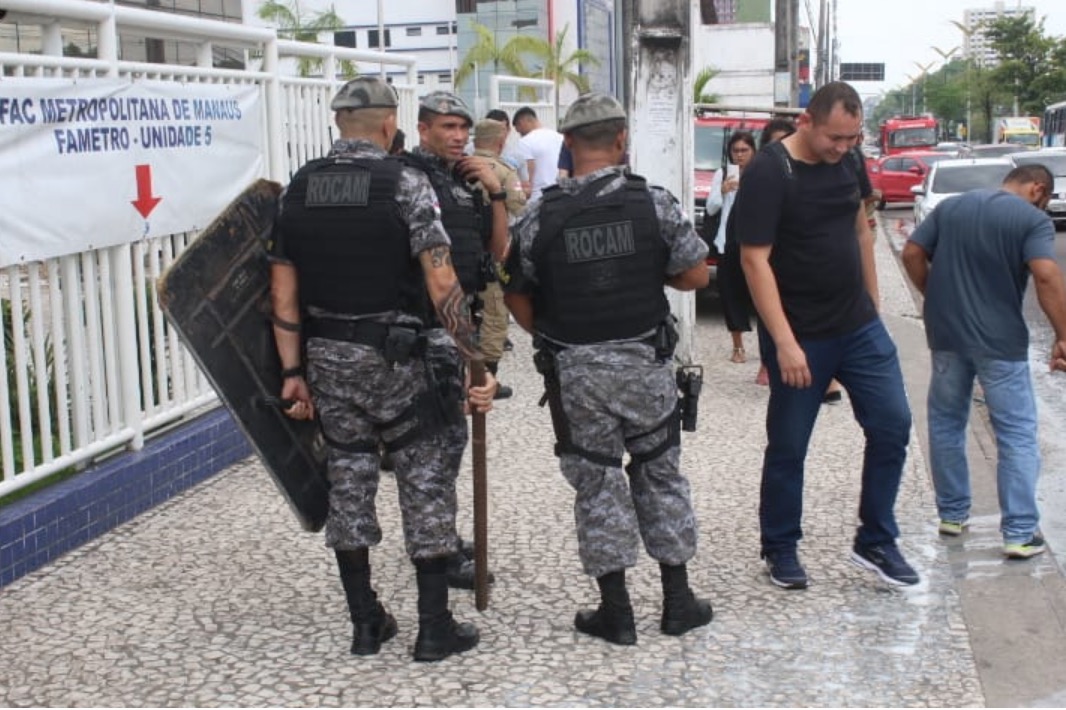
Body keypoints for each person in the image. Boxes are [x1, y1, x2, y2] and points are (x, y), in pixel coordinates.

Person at [267, 76, 496, 661]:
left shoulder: (298, 189)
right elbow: (442, 282)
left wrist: (292, 373)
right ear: (390, 125)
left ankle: (366, 623)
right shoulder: (407, 184)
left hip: (327, 358)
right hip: (399, 359)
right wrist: (474, 364)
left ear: (339, 125)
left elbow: (283, 296)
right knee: (424, 478)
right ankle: (433, 627)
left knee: (349, 482)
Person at [503, 93, 713, 645]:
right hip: (644, 364)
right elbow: (695, 275)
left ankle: (616, 613)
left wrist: (558, 338)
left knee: (597, 482)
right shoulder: (655, 204)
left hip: (576, 374)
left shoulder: (538, 215)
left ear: (568, 143)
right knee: (659, 471)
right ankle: (677, 602)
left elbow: (516, 296)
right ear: (622, 139)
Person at [734, 81, 918, 590]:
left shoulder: (850, 161)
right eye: (835, 138)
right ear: (806, 122)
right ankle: (780, 545)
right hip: (800, 331)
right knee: (790, 444)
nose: (842, 148)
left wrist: (875, 303)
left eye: (852, 138)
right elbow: (754, 260)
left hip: (857, 325)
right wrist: (785, 343)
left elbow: (863, 228)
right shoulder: (771, 170)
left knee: (892, 424)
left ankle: (876, 539)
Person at [901, 164, 1066, 559]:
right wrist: (1062, 334)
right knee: (1016, 432)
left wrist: (933, 294)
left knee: (945, 422)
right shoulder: (1031, 220)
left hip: (946, 336)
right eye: (1044, 200)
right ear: (1037, 189)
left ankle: (953, 515)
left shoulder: (953, 207)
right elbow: (1045, 275)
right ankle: (1020, 532)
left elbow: (911, 252)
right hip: (1000, 342)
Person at [405, 91, 510, 590]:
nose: (458, 136)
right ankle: (437, 553)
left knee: (450, 441)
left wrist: (495, 193)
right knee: (436, 447)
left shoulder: (464, 181)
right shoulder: (409, 179)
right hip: (425, 329)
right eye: (447, 126)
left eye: (463, 127)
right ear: (423, 129)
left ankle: (441, 538)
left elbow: (498, 249)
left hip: (458, 325)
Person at [471, 117, 528, 399]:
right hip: (493, 254)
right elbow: (520, 209)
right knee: (494, 315)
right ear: (501, 141)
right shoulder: (504, 172)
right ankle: (487, 379)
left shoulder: (461, 167)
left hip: (462, 254)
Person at [706, 131, 757, 364]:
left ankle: (768, 350)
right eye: (735, 151)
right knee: (730, 295)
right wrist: (723, 190)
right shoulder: (723, 173)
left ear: (753, 151)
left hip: (755, 240)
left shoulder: (760, 173)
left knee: (758, 294)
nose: (739, 155)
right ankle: (738, 347)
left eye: (744, 150)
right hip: (727, 241)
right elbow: (711, 208)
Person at [512, 106, 564, 201]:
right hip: (561, 195)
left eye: (519, 130)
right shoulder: (560, 137)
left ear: (523, 122)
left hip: (538, 198)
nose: (520, 134)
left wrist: (517, 191)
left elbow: (525, 173)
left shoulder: (525, 142)